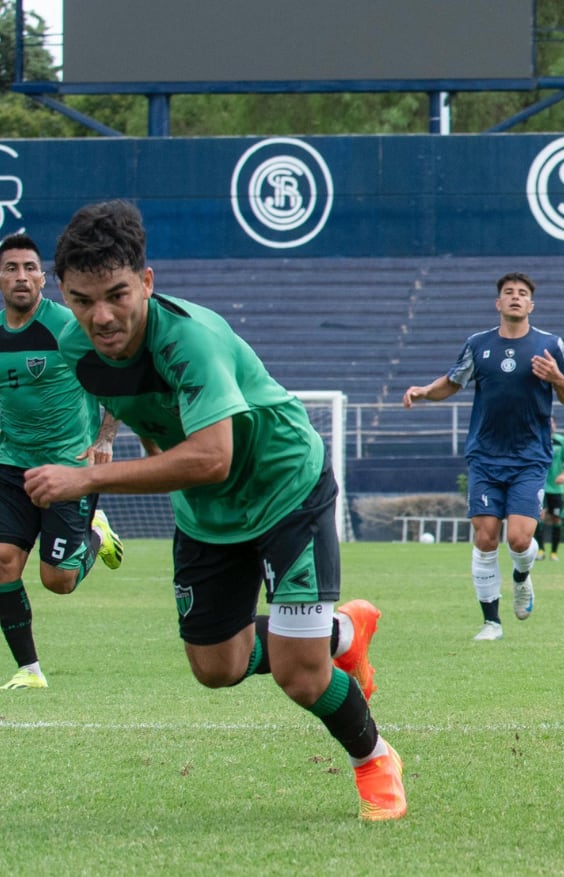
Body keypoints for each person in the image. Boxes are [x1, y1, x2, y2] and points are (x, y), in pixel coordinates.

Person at [23, 201, 406, 821]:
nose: (101, 316)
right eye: (82, 299)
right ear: (64, 294)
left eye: (117, 294)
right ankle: (343, 631)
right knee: (216, 668)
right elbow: (149, 417)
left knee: (301, 676)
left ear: (147, 283)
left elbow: (211, 458)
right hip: (209, 514)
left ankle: (374, 760)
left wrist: (86, 477)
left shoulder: (190, 340)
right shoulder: (75, 344)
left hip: (287, 490)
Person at [402, 272, 564, 641]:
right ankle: (491, 622)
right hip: (485, 455)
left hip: (530, 457)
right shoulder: (478, 344)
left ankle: (521, 577)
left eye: (522, 294)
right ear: (497, 303)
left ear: (531, 304)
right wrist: (423, 391)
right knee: (485, 538)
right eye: (508, 293)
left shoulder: (550, 345)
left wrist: (557, 379)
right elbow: (453, 381)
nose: (515, 298)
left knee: (518, 539)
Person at [0, 233, 124, 691]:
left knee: (59, 581)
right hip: (11, 467)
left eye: (30, 268)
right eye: (11, 268)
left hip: (68, 470)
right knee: (3, 562)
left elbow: (115, 371)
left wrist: (105, 437)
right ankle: (30, 670)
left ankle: (96, 534)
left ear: (43, 278)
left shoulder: (68, 327)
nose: (21, 276)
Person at [539, 416, 564, 562]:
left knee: (556, 518)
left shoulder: (562, 441)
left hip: (556, 488)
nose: (549, 425)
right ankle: (540, 550)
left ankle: (554, 552)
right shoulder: (538, 439)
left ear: (555, 425)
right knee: (538, 516)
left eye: (552, 423)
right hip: (540, 486)